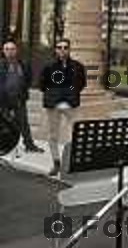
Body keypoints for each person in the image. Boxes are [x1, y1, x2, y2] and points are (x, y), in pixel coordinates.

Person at [39, 38, 87, 176]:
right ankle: (56, 163)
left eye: (65, 47)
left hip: (71, 105)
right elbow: (42, 84)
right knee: (53, 135)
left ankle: (70, 162)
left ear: (69, 49)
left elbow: (82, 84)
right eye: (59, 47)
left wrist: (70, 94)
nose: (62, 50)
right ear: (55, 50)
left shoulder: (78, 66)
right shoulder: (48, 66)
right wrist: (54, 94)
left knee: (75, 133)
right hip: (53, 105)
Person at [0, 39, 43, 153]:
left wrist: (23, 92)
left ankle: (29, 145)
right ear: (3, 51)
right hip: (3, 100)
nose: (10, 52)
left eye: (12, 49)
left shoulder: (23, 64)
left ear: (16, 51)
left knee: (24, 124)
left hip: (19, 99)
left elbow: (28, 80)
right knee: (4, 124)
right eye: (7, 49)